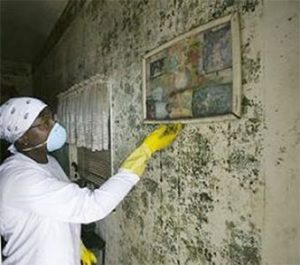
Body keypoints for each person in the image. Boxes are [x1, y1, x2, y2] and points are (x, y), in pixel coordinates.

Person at [0, 97, 182, 265]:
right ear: (23, 138)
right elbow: (92, 206)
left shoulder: (49, 162)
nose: (54, 126)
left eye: (51, 118)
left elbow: (58, 210)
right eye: (44, 124)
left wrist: (77, 247)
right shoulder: (19, 180)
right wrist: (144, 151)